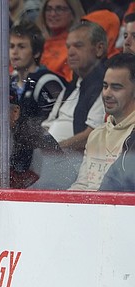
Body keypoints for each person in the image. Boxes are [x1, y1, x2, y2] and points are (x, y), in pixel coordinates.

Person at [41, 20, 107, 159]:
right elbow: (49, 123)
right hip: (52, 159)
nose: (70, 53)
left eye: (78, 46)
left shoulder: (107, 85)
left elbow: (92, 135)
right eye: (68, 46)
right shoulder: (71, 86)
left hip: (73, 162)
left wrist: (54, 150)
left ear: (99, 48)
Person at [71, 53, 135, 190]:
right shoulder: (96, 135)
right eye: (105, 86)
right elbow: (81, 186)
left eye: (116, 87)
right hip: (88, 209)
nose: (107, 93)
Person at [10, 21, 66, 123]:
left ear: (36, 53)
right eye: (11, 46)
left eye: (21, 47)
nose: (14, 52)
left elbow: (50, 124)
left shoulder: (48, 82)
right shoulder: (10, 81)